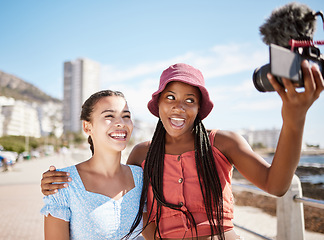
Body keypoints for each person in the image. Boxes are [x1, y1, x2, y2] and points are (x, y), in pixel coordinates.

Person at [41, 61, 323, 240]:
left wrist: (294, 118)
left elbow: (277, 185)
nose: (179, 106)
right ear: (158, 105)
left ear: (200, 109)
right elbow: (120, 189)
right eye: (171, 97)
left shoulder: (224, 143)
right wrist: (63, 181)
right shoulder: (141, 154)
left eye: (190, 100)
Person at [40, 90, 143, 239]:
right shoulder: (63, 184)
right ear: (87, 127)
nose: (121, 122)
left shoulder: (140, 178)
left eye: (126, 116)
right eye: (109, 116)